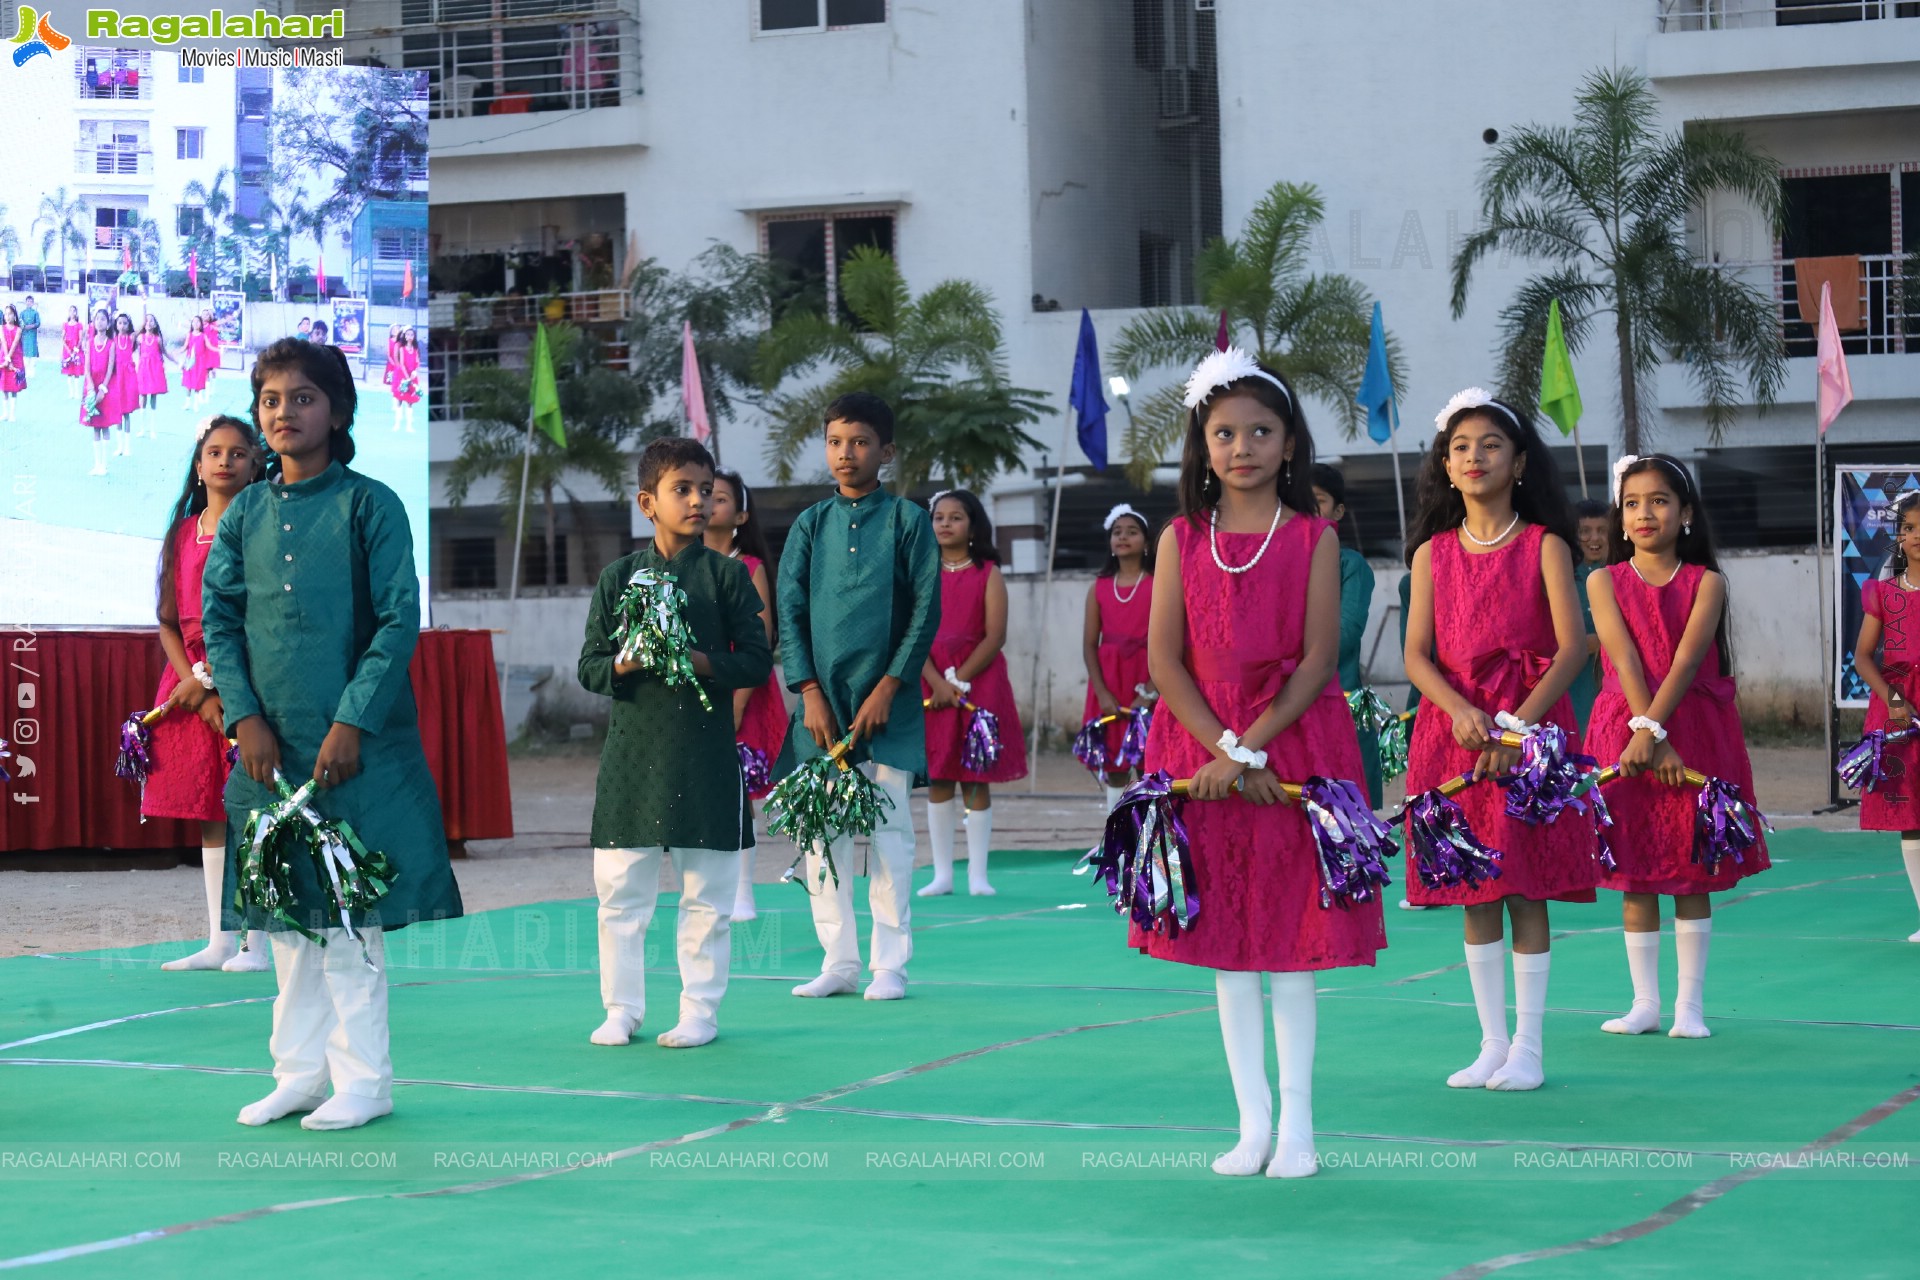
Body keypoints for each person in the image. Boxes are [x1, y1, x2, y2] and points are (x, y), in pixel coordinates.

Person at [203, 339, 463, 1130]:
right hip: (268, 751)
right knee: (286, 921)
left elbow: (395, 621)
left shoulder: (369, 504)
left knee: (349, 921)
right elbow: (220, 619)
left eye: (304, 397)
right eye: (272, 400)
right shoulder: (246, 510)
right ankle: (298, 1074)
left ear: (339, 412)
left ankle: (365, 1084)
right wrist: (244, 716)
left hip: (353, 753)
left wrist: (352, 721)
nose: (285, 412)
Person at [1137, 347, 1383, 1178]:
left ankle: (1302, 1128)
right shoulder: (1178, 538)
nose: (1241, 446)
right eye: (1224, 432)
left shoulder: (1313, 538)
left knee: (1290, 941)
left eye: (1260, 431)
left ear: (1288, 443)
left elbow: (1318, 659)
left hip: (1293, 749)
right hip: (1198, 751)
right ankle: (1251, 1124)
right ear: (1202, 447)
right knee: (1229, 944)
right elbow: (1165, 661)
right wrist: (1217, 750)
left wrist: (1248, 750)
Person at [1401, 387, 1598, 1093]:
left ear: (1519, 463)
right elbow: (1416, 655)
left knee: (1526, 887)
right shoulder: (1431, 554)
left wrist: (1516, 727)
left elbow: (1574, 647)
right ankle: (1489, 1043)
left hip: (1529, 733)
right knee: (1473, 887)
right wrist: (1456, 708)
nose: (1474, 456)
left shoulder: (1544, 545)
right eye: (1460, 447)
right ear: (1445, 468)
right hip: (1452, 734)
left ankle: (1530, 1049)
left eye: (1490, 445)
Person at [578, 437, 772, 1049]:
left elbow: (758, 662)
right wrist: (627, 662)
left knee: (708, 899)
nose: (698, 501)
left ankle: (699, 1013)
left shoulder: (728, 577)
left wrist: (699, 661)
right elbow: (588, 667)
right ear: (647, 502)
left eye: (707, 491)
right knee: (620, 895)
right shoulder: (618, 578)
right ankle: (622, 1009)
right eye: (681, 490)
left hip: (705, 756)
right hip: (632, 759)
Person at [1588, 454, 1769, 1038]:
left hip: (1690, 729)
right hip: (1627, 730)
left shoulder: (1706, 582)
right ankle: (1645, 1003)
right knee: (1637, 869)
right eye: (1633, 503)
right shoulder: (1601, 580)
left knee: (1693, 869)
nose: (1646, 513)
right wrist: (1644, 733)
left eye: (1660, 501)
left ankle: (1689, 1007)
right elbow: (1623, 657)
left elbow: (1688, 660)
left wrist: (1658, 732)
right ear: (1620, 518)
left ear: (1685, 513)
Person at [775, 391, 939, 1002]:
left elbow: (926, 608)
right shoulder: (810, 525)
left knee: (891, 829)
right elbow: (788, 614)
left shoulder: (907, 521)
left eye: (862, 442)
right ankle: (838, 961)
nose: (847, 454)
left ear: (886, 452)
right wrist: (809, 691)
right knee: (822, 832)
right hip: (821, 704)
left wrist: (891, 685)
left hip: (887, 703)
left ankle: (890, 965)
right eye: (836, 442)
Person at [149, 416, 272, 972]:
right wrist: (193, 685)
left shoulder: (264, 525)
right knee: (211, 809)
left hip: (251, 676)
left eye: (238, 453)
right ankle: (221, 939)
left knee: (257, 805)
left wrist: (226, 683)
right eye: (214, 452)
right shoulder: (181, 535)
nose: (225, 461)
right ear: (198, 467)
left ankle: (259, 943)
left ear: (256, 465)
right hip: (191, 682)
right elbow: (169, 621)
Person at [918, 489, 1028, 897]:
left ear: (973, 525)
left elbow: (994, 636)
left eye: (956, 517)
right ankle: (942, 874)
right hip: (930, 683)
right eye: (939, 517)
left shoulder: (988, 573)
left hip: (978, 684)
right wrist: (936, 682)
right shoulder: (921, 573)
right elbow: (915, 635)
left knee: (975, 777)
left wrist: (958, 681)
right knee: (939, 776)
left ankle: (977, 875)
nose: (945, 524)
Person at [701, 467, 785, 921]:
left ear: (741, 513)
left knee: (738, 792)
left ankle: (743, 893)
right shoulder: (681, 565)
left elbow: (761, 640)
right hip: (694, 691)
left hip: (740, 692)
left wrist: (736, 704)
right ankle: (708, 891)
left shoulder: (750, 569)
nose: (708, 503)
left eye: (720, 497)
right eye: (702, 494)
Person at [1854, 488, 1920, 942]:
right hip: (1899, 710)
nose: (1917, 536)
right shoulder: (1883, 594)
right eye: (1909, 528)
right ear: (1898, 538)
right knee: (1910, 812)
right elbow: (1862, 657)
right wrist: (1894, 700)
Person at [1311, 464, 1382, 808]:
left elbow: (1346, 633)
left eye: (1318, 501)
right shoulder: (1277, 560)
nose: (1308, 509)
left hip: (1341, 700)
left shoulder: (1350, 564)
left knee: (1348, 817)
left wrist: (1285, 661)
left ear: (1338, 510)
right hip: (1282, 707)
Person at [1081, 503, 1156, 812]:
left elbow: (1172, 643)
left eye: (1132, 532)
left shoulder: (1159, 585)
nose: (1123, 537)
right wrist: (1101, 692)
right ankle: (1117, 839)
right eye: (1117, 532)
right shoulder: (1098, 587)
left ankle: (1149, 843)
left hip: (1148, 678)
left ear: (1147, 542)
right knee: (1114, 765)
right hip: (1110, 683)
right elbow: (1088, 645)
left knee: (1148, 762)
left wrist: (1151, 690)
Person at [1568, 497, 1609, 730]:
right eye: (1585, 531)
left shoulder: (1620, 574)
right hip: (1574, 684)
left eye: (1602, 530)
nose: (1595, 538)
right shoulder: (1563, 577)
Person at [80, 308, 120, 473]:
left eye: (103, 319)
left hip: (106, 387)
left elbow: (110, 369)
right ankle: (97, 464)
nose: (100, 322)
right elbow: (87, 367)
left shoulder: (111, 344)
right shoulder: (89, 342)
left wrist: (103, 388)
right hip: (92, 385)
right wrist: (90, 385)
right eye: (97, 319)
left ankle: (104, 464)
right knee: (95, 425)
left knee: (105, 425)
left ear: (108, 323)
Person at [135, 313, 175, 418]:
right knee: (142, 395)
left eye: (151, 320)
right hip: (143, 369)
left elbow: (165, 352)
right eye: (146, 320)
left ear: (155, 324)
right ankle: (142, 425)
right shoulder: (140, 338)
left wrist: (177, 362)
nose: (148, 323)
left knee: (153, 395)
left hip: (155, 369)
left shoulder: (158, 339)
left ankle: (152, 425)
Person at [109, 312, 140, 444]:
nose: (122, 325)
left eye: (125, 323)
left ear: (129, 325)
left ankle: (127, 445)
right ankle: (119, 445)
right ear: (116, 325)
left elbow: (143, 324)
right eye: (119, 323)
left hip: (128, 376)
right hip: (117, 376)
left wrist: (144, 303)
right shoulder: (113, 340)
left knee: (127, 411)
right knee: (118, 410)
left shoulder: (131, 338)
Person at [388, 327, 420, 433]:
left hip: (413, 377)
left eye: (411, 335)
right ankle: (397, 424)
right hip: (403, 377)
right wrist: (407, 378)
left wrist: (415, 372)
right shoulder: (401, 348)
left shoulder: (415, 349)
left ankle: (409, 426)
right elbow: (401, 364)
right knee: (400, 400)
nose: (409, 337)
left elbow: (417, 362)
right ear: (405, 336)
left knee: (410, 402)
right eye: (407, 335)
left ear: (414, 336)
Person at [181, 314, 214, 409]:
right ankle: (187, 402)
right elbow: (185, 347)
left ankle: (196, 403)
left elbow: (209, 346)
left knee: (197, 382)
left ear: (201, 324)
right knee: (188, 382)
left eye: (198, 321)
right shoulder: (189, 335)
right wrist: (176, 352)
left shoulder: (203, 336)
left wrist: (218, 350)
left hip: (199, 362)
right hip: (190, 361)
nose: (195, 323)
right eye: (194, 321)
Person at [0, 306, 24, 421]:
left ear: (14, 315)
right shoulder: (1, 328)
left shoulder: (18, 329)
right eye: (6, 314)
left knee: (13, 387)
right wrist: (6, 359)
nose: (7, 316)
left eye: (10, 314)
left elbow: (14, 343)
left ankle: (12, 414)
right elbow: (4, 342)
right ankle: (5, 413)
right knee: (4, 387)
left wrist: (9, 358)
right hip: (4, 357)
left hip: (15, 358)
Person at [60, 305, 84, 399]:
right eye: (70, 311)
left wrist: (75, 350)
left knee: (76, 372)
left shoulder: (79, 325)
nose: (72, 313)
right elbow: (62, 338)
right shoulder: (65, 325)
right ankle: (71, 392)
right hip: (67, 350)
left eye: (74, 311)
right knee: (69, 372)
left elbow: (81, 338)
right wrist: (68, 350)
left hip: (76, 350)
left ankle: (77, 392)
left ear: (76, 313)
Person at [20, 294, 40, 378]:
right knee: (25, 353)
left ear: (33, 303)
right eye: (28, 301)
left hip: (32, 336)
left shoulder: (35, 313)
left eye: (31, 301)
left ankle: (32, 372)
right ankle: (25, 372)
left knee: (32, 353)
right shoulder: (22, 313)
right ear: (25, 302)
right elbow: (20, 322)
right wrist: (24, 326)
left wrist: (31, 326)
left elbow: (38, 323)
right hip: (25, 336)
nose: (29, 303)